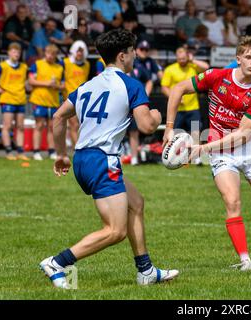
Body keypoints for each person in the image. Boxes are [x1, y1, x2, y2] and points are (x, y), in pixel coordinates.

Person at [39, 29, 179, 289]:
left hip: (82, 157)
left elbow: (58, 117)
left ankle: (145, 270)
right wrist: (159, 117)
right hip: (102, 160)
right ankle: (57, 263)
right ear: (123, 55)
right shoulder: (131, 84)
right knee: (115, 231)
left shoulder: (87, 85)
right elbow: (147, 126)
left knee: (135, 203)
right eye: (133, 51)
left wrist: (60, 154)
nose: (136, 55)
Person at [163, 34, 251, 271]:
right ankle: (245, 261)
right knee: (232, 201)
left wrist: (202, 148)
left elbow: (242, 135)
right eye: (248, 56)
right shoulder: (216, 76)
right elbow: (178, 89)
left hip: (247, 149)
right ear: (238, 58)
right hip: (221, 151)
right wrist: (169, 129)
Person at [161, 47, 209, 164]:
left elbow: (206, 67)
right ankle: (170, 157)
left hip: (193, 107)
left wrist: (192, 60)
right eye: (179, 58)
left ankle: (197, 158)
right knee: (174, 133)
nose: (182, 60)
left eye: (184, 58)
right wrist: (175, 97)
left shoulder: (193, 66)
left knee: (196, 131)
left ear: (187, 56)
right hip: (177, 109)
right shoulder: (170, 69)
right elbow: (164, 87)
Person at [127, 40, 163, 166]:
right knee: (131, 131)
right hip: (125, 101)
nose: (144, 52)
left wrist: (145, 95)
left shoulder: (142, 66)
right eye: (141, 49)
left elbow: (149, 80)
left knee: (138, 129)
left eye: (146, 50)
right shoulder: (129, 65)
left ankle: (137, 157)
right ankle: (132, 157)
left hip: (138, 102)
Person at [28, 44, 65, 161]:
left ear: (55, 55)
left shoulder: (59, 68)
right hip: (39, 100)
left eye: (53, 54)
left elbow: (63, 85)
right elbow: (31, 81)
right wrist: (47, 84)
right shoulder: (37, 65)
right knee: (39, 126)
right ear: (45, 53)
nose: (50, 56)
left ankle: (51, 151)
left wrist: (57, 86)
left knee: (51, 127)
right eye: (48, 53)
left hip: (53, 101)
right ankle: (36, 152)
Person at [0, 42, 29, 160]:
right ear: (9, 52)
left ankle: (20, 151)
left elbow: (25, 82)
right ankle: (8, 151)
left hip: (20, 99)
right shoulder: (2, 66)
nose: (16, 54)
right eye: (14, 51)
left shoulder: (24, 67)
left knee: (20, 126)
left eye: (18, 52)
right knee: (7, 126)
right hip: (8, 99)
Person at [62, 40, 90, 149]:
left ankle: (79, 146)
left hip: (83, 99)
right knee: (74, 124)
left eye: (82, 51)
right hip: (70, 98)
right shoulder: (66, 63)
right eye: (78, 51)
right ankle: (77, 148)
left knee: (81, 126)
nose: (80, 54)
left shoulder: (87, 64)